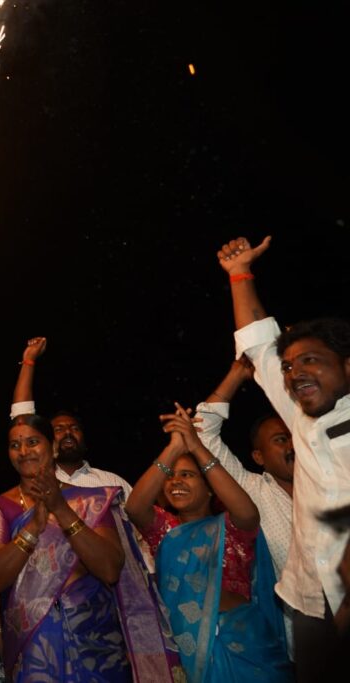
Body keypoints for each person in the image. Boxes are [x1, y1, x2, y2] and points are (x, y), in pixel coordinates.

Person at [218, 235, 350, 678]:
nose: (294, 374)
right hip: (310, 602)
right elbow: (260, 345)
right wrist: (240, 275)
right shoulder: (301, 415)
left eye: (311, 360)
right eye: (290, 367)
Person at [0, 414, 179, 682]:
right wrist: (33, 529)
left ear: (53, 447)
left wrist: (61, 509)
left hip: (96, 647)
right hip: (35, 651)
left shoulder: (92, 501)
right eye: (15, 445)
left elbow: (110, 569)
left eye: (33, 442)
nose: (23, 451)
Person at [125, 404, 291, 682]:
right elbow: (134, 507)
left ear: (210, 487)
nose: (175, 481)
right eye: (170, 476)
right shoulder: (165, 531)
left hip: (246, 648)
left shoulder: (232, 527)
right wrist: (174, 447)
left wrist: (196, 446)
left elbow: (249, 513)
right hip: (188, 650)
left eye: (187, 475)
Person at [195, 356, 295, 650]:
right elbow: (201, 433)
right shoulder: (251, 490)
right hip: (295, 637)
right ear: (258, 457)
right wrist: (237, 374)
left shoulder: (333, 479)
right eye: (281, 439)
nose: (292, 445)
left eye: (294, 436)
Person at [8, 338, 132, 496]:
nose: (68, 432)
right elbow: (22, 417)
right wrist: (29, 360)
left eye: (74, 428)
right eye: (58, 429)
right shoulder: (38, 479)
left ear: (85, 440)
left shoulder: (112, 482)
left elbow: (140, 510)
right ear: (50, 444)